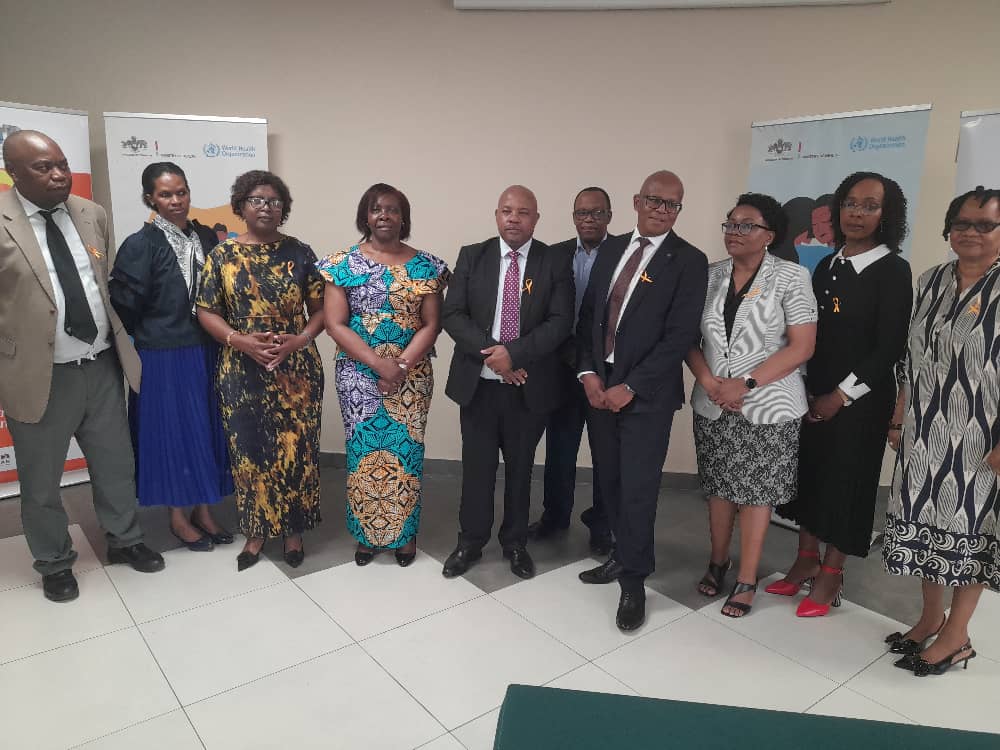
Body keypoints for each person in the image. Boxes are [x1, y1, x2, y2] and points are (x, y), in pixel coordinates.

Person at [0, 130, 164, 602]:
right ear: (13, 173)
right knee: (41, 481)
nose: (58, 175)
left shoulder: (92, 214)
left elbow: (99, 282)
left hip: (101, 364)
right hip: (40, 375)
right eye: (43, 167)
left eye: (62, 164)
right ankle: (54, 562)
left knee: (115, 463)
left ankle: (125, 539)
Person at [771, 171, 912, 617]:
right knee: (811, 477)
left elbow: (888, 347)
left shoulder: (893, 270)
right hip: (813, 394)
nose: (857, 213)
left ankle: (831, 573)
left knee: (846, 485)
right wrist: (806, 389)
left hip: (859, 402)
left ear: (887, 215)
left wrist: (839, 396)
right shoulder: (828, 264)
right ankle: (806, 560)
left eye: (870, 206)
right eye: (850, 203)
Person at [577, 170, 708, 632]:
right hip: (600, 385)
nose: (661, 210)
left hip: (646, 394)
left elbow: (679, 337)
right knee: (609, 480)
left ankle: (634, 581)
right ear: (636, 201)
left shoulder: (688, 260)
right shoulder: (612, 248)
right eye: (654, 200)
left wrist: (630, 386)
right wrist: (589, 373)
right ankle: (619, 554)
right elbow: (588, 317)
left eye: (672, 204)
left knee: (637, 488)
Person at [883, 186, 1000, 676]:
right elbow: (911, 358)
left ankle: (957, 635)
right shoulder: (931, 279)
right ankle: (931, 617)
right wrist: (898, 416)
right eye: (962, 223)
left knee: (970, 531)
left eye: (985, 225)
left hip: (981, 438)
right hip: (924, 430)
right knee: (925, 526)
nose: (971, 232)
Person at [687, 193, 816, 617]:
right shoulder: (709, 275)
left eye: (746, 225)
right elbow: (687, 339)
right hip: (713, 401)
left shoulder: (792, 276)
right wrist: (710, 382)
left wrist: (745, 384)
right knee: (718, 488)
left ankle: (746, 578)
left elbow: (801, 347)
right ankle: (717, 562)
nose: (734, 232)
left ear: (769, 235)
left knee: (757, 494)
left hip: (768, 405)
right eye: (730, 223)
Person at [441, 185, 574, 580]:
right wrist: (495, 356)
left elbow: (560, 321)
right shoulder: (473, 256)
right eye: (507, 211)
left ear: (536, 219)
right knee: (477, 469)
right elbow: (453, 314)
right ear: (496, 215)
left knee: (520, 470)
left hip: (528, 386)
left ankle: (515, 543)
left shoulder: (553, 261)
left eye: (523, 212)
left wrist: (513, 355)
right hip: (478, 386)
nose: (514, 218)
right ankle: (470, 542)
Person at [195, 170, 325, 571]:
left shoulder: (300, 252)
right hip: (241, 367)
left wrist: (298, 340)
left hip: (296, 367)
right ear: (240, 206)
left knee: (296, 449)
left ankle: (293, 530)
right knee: (250, 451)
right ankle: (256, 531)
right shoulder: (222, 255)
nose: (266, 207)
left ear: (283, 208)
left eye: (274, 201)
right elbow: (206, 311)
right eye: (256, 200)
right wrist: (240, 341)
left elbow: (322, 311)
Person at [319, 184, 449, 567]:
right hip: (358, 375)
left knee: (406, 453)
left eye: (392, 209)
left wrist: (401, 365)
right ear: (366, 216)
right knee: (363, 452)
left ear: (403, 217)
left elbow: (432, 324)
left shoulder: (428, 266)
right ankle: (367, 536)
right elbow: (335, 323)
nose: (384, 216)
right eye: (376, 209)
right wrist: (379, 364)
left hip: (412, 375)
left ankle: (404, 537)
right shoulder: (341, 264)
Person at [110, 162, 234, 551]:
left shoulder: (206, 236)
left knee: (207, 430)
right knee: (174, 434)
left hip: (208, 348)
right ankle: (179, 518)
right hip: (164, 355)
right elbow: (124, 304)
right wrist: (156, 330)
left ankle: (204, 510)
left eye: (181, 192)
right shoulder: (140, 244)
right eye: (166, 194)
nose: (176, 200)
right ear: (150, 198)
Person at [528, 186, 614, 555]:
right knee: (560, 448)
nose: (589, 219)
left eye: (597, 212)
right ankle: (555, 516)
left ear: (609, 216)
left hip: (604, 370)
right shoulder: (555, 255)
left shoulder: (623, 254)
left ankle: (602, 524)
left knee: (605, 452)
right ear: (573, 217)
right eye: (582, 213)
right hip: (561, 366)